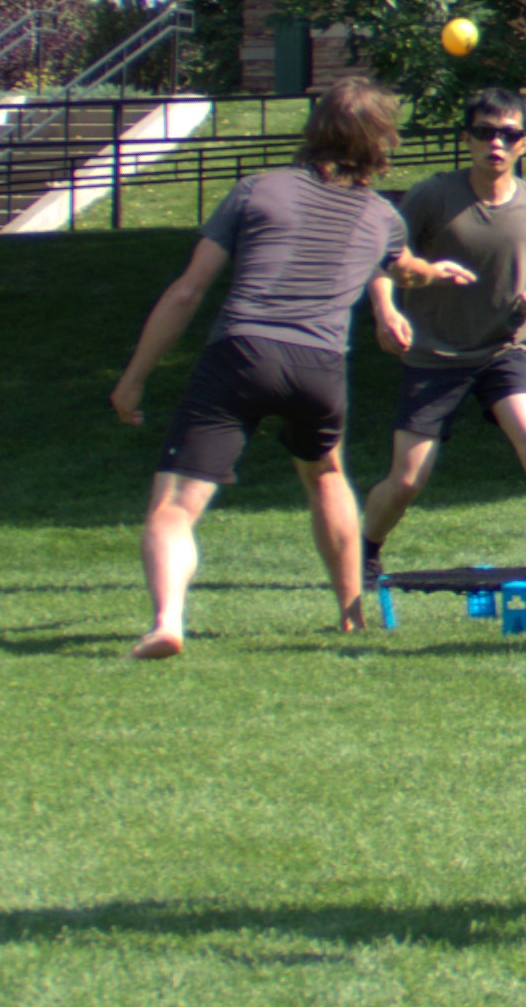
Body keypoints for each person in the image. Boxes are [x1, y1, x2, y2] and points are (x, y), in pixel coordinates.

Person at [106, 78, 459, 656]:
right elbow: (406, 268)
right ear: (381, 143)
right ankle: (351, 619)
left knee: (174, 506)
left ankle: (168, 621)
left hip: (242, 353)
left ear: (313, 130)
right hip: (319, 367)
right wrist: (435, 272)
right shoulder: (381, 217)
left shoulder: (255, 191)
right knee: (325, 475)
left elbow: (187, 293)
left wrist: (134, 378)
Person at [361, 93, 526, 573]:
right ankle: (365, 552)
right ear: (467, 139)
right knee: (407, 480)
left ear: (524, 144)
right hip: (434, 356)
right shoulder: (432, 195)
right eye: (484, 132)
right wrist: (385, 312)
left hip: (505, 349)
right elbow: (383, 258)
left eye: (507, 134)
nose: (495, 143)